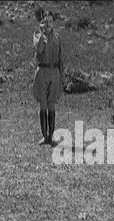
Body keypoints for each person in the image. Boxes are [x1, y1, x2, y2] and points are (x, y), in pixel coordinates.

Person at [32, 9, 65, 146]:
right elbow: (38, 50)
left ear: (53, 22)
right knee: (43, 105)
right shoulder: (37, 35)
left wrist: (62, 76)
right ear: (42, 22)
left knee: (51, 104)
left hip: (54, 72)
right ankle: (44, 136)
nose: (48, 24)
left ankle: (51, 137)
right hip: (42, 72)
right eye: (46, 21)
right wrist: (41, 34)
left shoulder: (57, 37)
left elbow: (61, 58)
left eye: (51, 21)